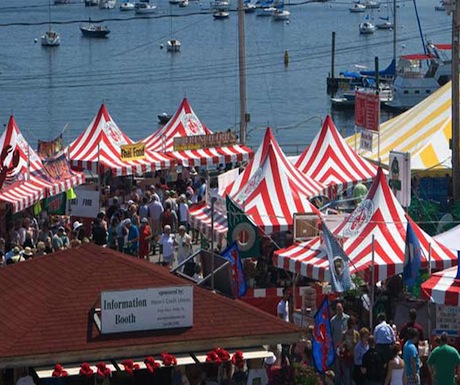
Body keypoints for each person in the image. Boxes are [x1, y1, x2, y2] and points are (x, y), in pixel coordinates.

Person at [331, 302, 350, 385]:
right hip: (337, 348)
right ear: (336, 310)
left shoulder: (347, 318)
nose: (339, 311)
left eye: (340, 309)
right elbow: (331, 334)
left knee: (347, 369)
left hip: (347, 348)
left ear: (343, 308)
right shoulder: (333, 321)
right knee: (338, 370)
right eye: (337, 309)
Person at [338, 317, 360, 385]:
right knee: (347, 377)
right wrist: (344, 343)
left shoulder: (356, 334)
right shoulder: (344, 334)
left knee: (352, 377)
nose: (354, 326)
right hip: (345, 358)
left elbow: (358, 345)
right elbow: (340, 346)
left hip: (353, 358)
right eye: (352, 324)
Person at [277, 287, 291, 366]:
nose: (288, 296)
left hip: (288, 326)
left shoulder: (287, 304)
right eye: (286, 294)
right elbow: (280, 317)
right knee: (284, 348)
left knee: (288, 347)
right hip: (283, 328)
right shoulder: (281, 305)